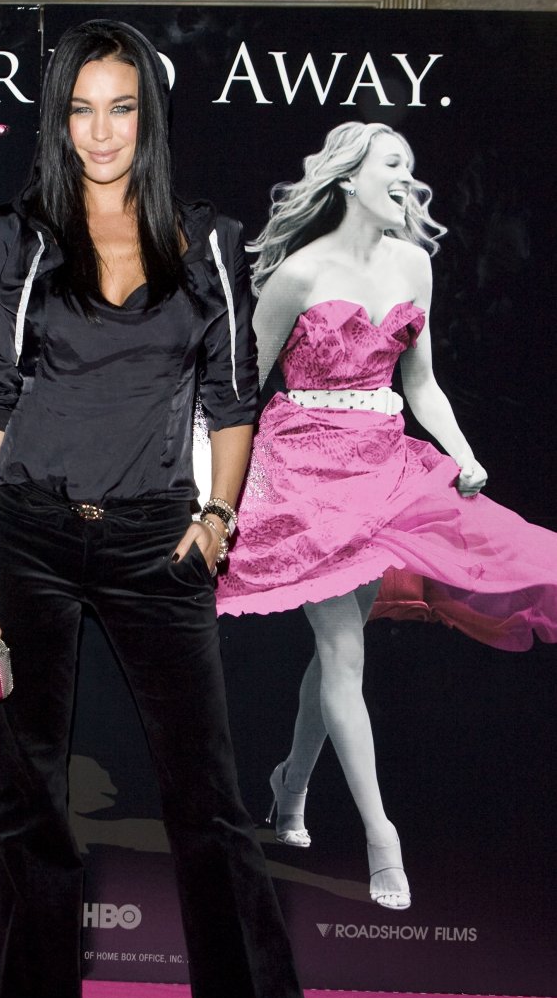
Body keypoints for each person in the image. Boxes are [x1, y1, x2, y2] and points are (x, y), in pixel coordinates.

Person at [0, 20, 327, 998]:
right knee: (30, 793)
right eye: (81, 109)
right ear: (57, 120)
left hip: (158, 541)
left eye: (121, 108)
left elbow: (234, 400)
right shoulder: (15, 238)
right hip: (31, 539)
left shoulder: (207, 241)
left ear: (148, 118)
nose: (101, 132)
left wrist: (217, 517)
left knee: (209, 803)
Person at [216, 121, 557, 910]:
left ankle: (289, 786)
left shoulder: (413, 263)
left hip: (383, 465)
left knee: (340, 654)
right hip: (304, 474)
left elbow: (420, 383)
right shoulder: (298, 274)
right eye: (390, 164)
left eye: (408, 164)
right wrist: (215, 492)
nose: (405, 176)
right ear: (347, 179)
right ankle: (382, 839)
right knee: (342, 653)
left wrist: (462, 453)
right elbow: (239, 387)